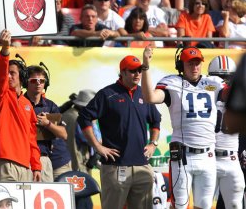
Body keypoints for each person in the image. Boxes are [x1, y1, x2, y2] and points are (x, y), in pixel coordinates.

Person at [141, 46, 224, 209]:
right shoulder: (172, 83)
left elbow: (233, 95)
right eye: (190, 64)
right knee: (180, 205)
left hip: (208, 155)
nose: (194, 67)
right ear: (181, 66)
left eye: (197, 63)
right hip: (183, 156)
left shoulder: (213, 83)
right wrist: (145, 66)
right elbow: (150, 97)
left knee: (204, 206)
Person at [78, 55, 161, 209]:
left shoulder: (144, 93)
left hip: (142, 165)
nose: (137, 74)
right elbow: (84, 118)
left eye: (139, 70)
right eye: (132, 71)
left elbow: (156, 119)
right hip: (115, 167)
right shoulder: (107, 94)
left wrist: (153, 143)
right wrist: (97, 146)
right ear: (122, 73)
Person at [0, 30, 42, 182]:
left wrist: (36, 165)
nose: (8, 76)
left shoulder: (27, 105)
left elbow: (31, 138)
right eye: (7, 73)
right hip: (4, 162)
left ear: (22, 77)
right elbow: (0, 77)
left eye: (13, 73)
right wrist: (5, 50)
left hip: (25, 167)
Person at [207, 55, 245, 209]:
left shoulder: (239, 99)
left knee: (233, 203)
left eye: (227, 77)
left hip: (231, 156)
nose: (223, 81)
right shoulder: (202, 94)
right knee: (203, 202)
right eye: (219, 77)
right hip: (206, 156)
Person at [24, 65, 68, 182]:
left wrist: (47, 123)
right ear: (26, 82)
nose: (38, 83)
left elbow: (63, 134)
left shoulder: (51, 106)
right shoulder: (18, 103)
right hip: (23, 158)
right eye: (34, 80)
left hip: (43, 159)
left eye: (42, 81)